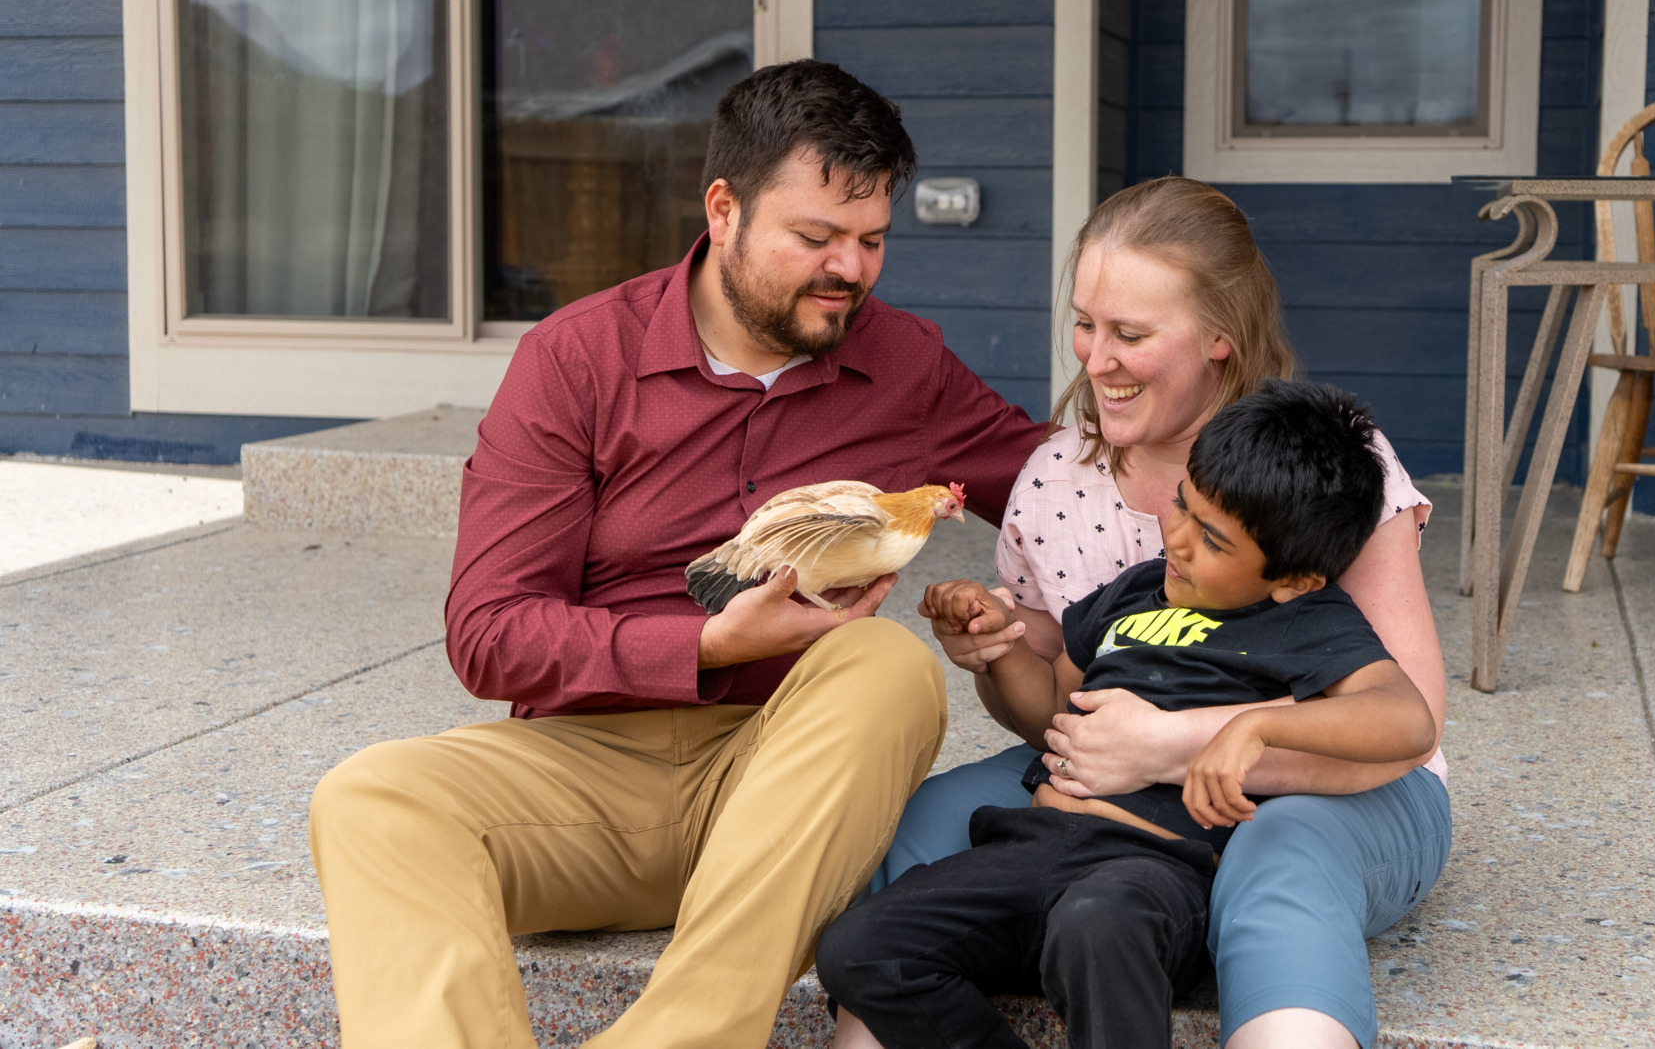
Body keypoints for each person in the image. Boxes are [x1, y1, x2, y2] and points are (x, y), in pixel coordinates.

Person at [306, 60, 1049, 1049]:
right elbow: (488, 635)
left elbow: (1067, 480)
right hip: (585, 771)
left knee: (884, 662)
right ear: (724, 209)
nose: (851, 270)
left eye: (871, 241)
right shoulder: (576, 361)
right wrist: (700, 645)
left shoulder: (906, 362)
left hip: (788, 776)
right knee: (372, 796)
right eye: (816, 237)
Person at [844, 176, 1451, 1049]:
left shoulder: (1315, 475)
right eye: (1086, 324)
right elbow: (1059, 706)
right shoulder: (1056, 477)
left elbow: (1405, 724)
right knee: (925, 831)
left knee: (1276, 861)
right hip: (1107, 785)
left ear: (1218, 338)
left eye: (1130, 333)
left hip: (1336, 782)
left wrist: (1175, 743)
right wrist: (1000, 647)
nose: (1095, 359)